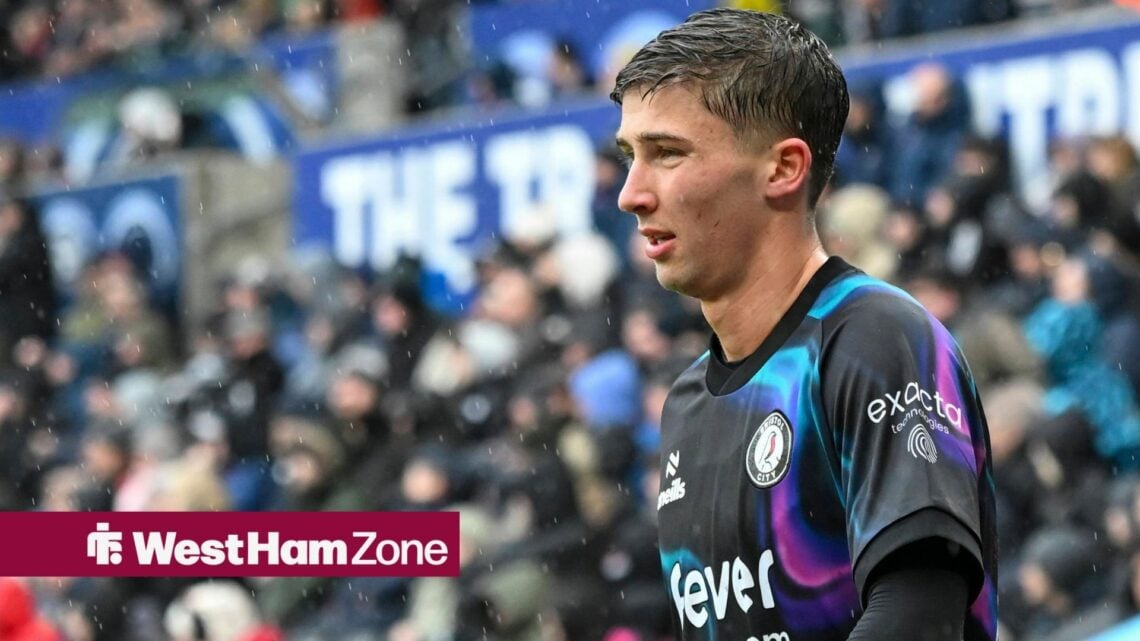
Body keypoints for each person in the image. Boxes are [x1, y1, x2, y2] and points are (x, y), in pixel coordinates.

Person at [610, 9, 996, 641]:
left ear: (784, 168)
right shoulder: (685, 401)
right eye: (630, 156)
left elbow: (918, 617)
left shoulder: (874, 338)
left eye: (668, 154)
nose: (631, 193)